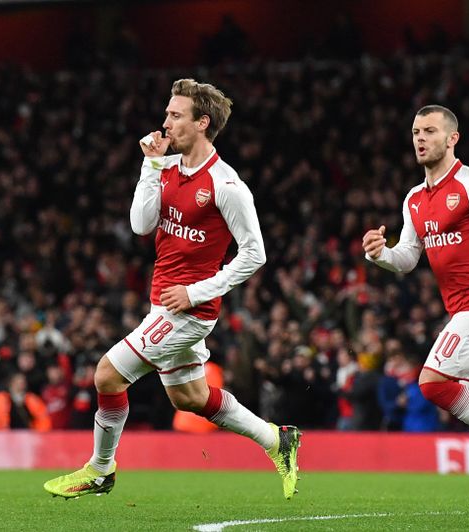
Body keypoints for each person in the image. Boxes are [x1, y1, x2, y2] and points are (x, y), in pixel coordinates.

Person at [43, 79, 300, 500]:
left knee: (107, 376)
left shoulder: (226, 185)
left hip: (187, 311)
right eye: (167, 113)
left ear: (202, 123)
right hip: (162, 300)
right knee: (190, 397)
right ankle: (279, 441)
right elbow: (140, 226)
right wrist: (150, 165)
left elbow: (255, 254)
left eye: (175, 115)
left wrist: (196, 293)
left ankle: (101, 469)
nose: (165, 122)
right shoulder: (168, 169)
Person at [362, 105, 469, 493]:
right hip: (464, 309)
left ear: (452, 138)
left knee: (433, 384)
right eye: (415, 132)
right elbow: (408, 258)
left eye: (429, 131)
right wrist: (380, 256)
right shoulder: (413, 199)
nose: (420, 139)